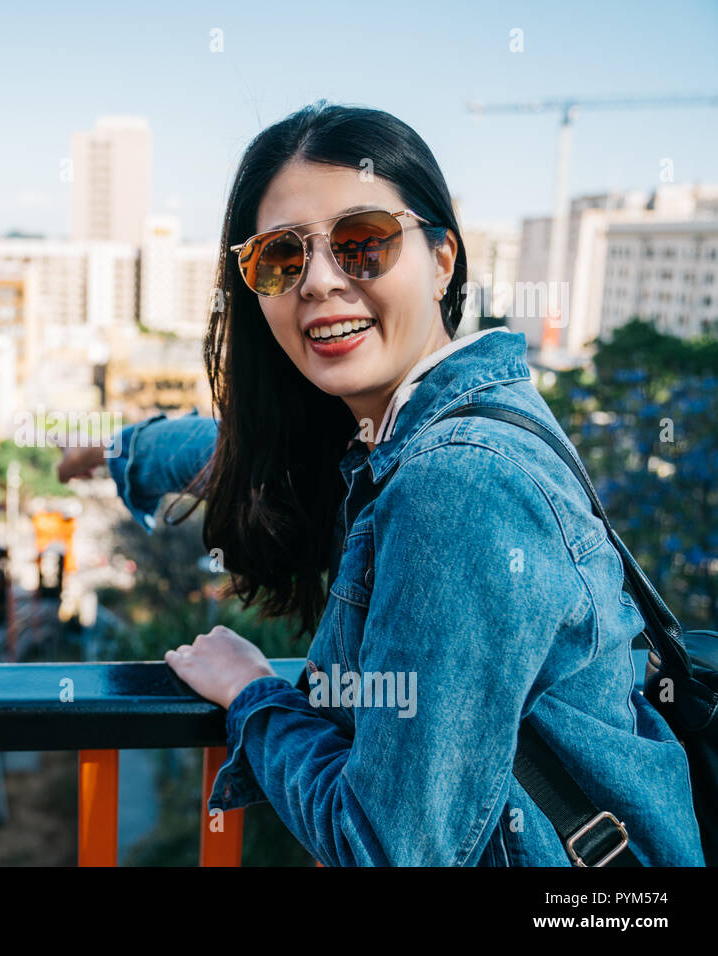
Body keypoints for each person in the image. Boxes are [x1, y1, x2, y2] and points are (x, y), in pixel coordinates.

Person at [56, 100, 704, 866]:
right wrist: (117, 450)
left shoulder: (457, 486)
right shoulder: (448, 422)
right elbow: (255, 451)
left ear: (441, 258)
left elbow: (390, 849)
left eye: (364, 243)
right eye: (280, 258)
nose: (321, 281)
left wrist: (254, 695)